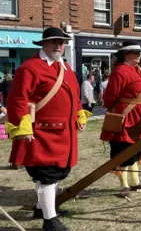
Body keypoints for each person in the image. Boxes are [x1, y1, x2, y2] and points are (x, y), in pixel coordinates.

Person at [6, 27, 92, 231]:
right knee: (46, 174)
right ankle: (49, 220)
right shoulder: (30, 68)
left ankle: (42, 208)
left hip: (65, 133)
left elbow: (74, 96)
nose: (59, 45)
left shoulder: (66, 68)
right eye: (54, 41)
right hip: (41, 132)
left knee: (58, 172)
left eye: (62, 42)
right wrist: (23, 126)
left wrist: (79, 114)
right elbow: (17, 99)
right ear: (43, 43)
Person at [100, 40, 141, 198]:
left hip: (140, 114)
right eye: (134, 53)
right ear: (125, 55)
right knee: (123, 150)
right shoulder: (120, 71)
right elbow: (109, 97)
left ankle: (135, 182)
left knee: (137, 149)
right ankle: (124, 186)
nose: (138, 56)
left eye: (139, 53)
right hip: (126, 115)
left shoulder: (138, 70)